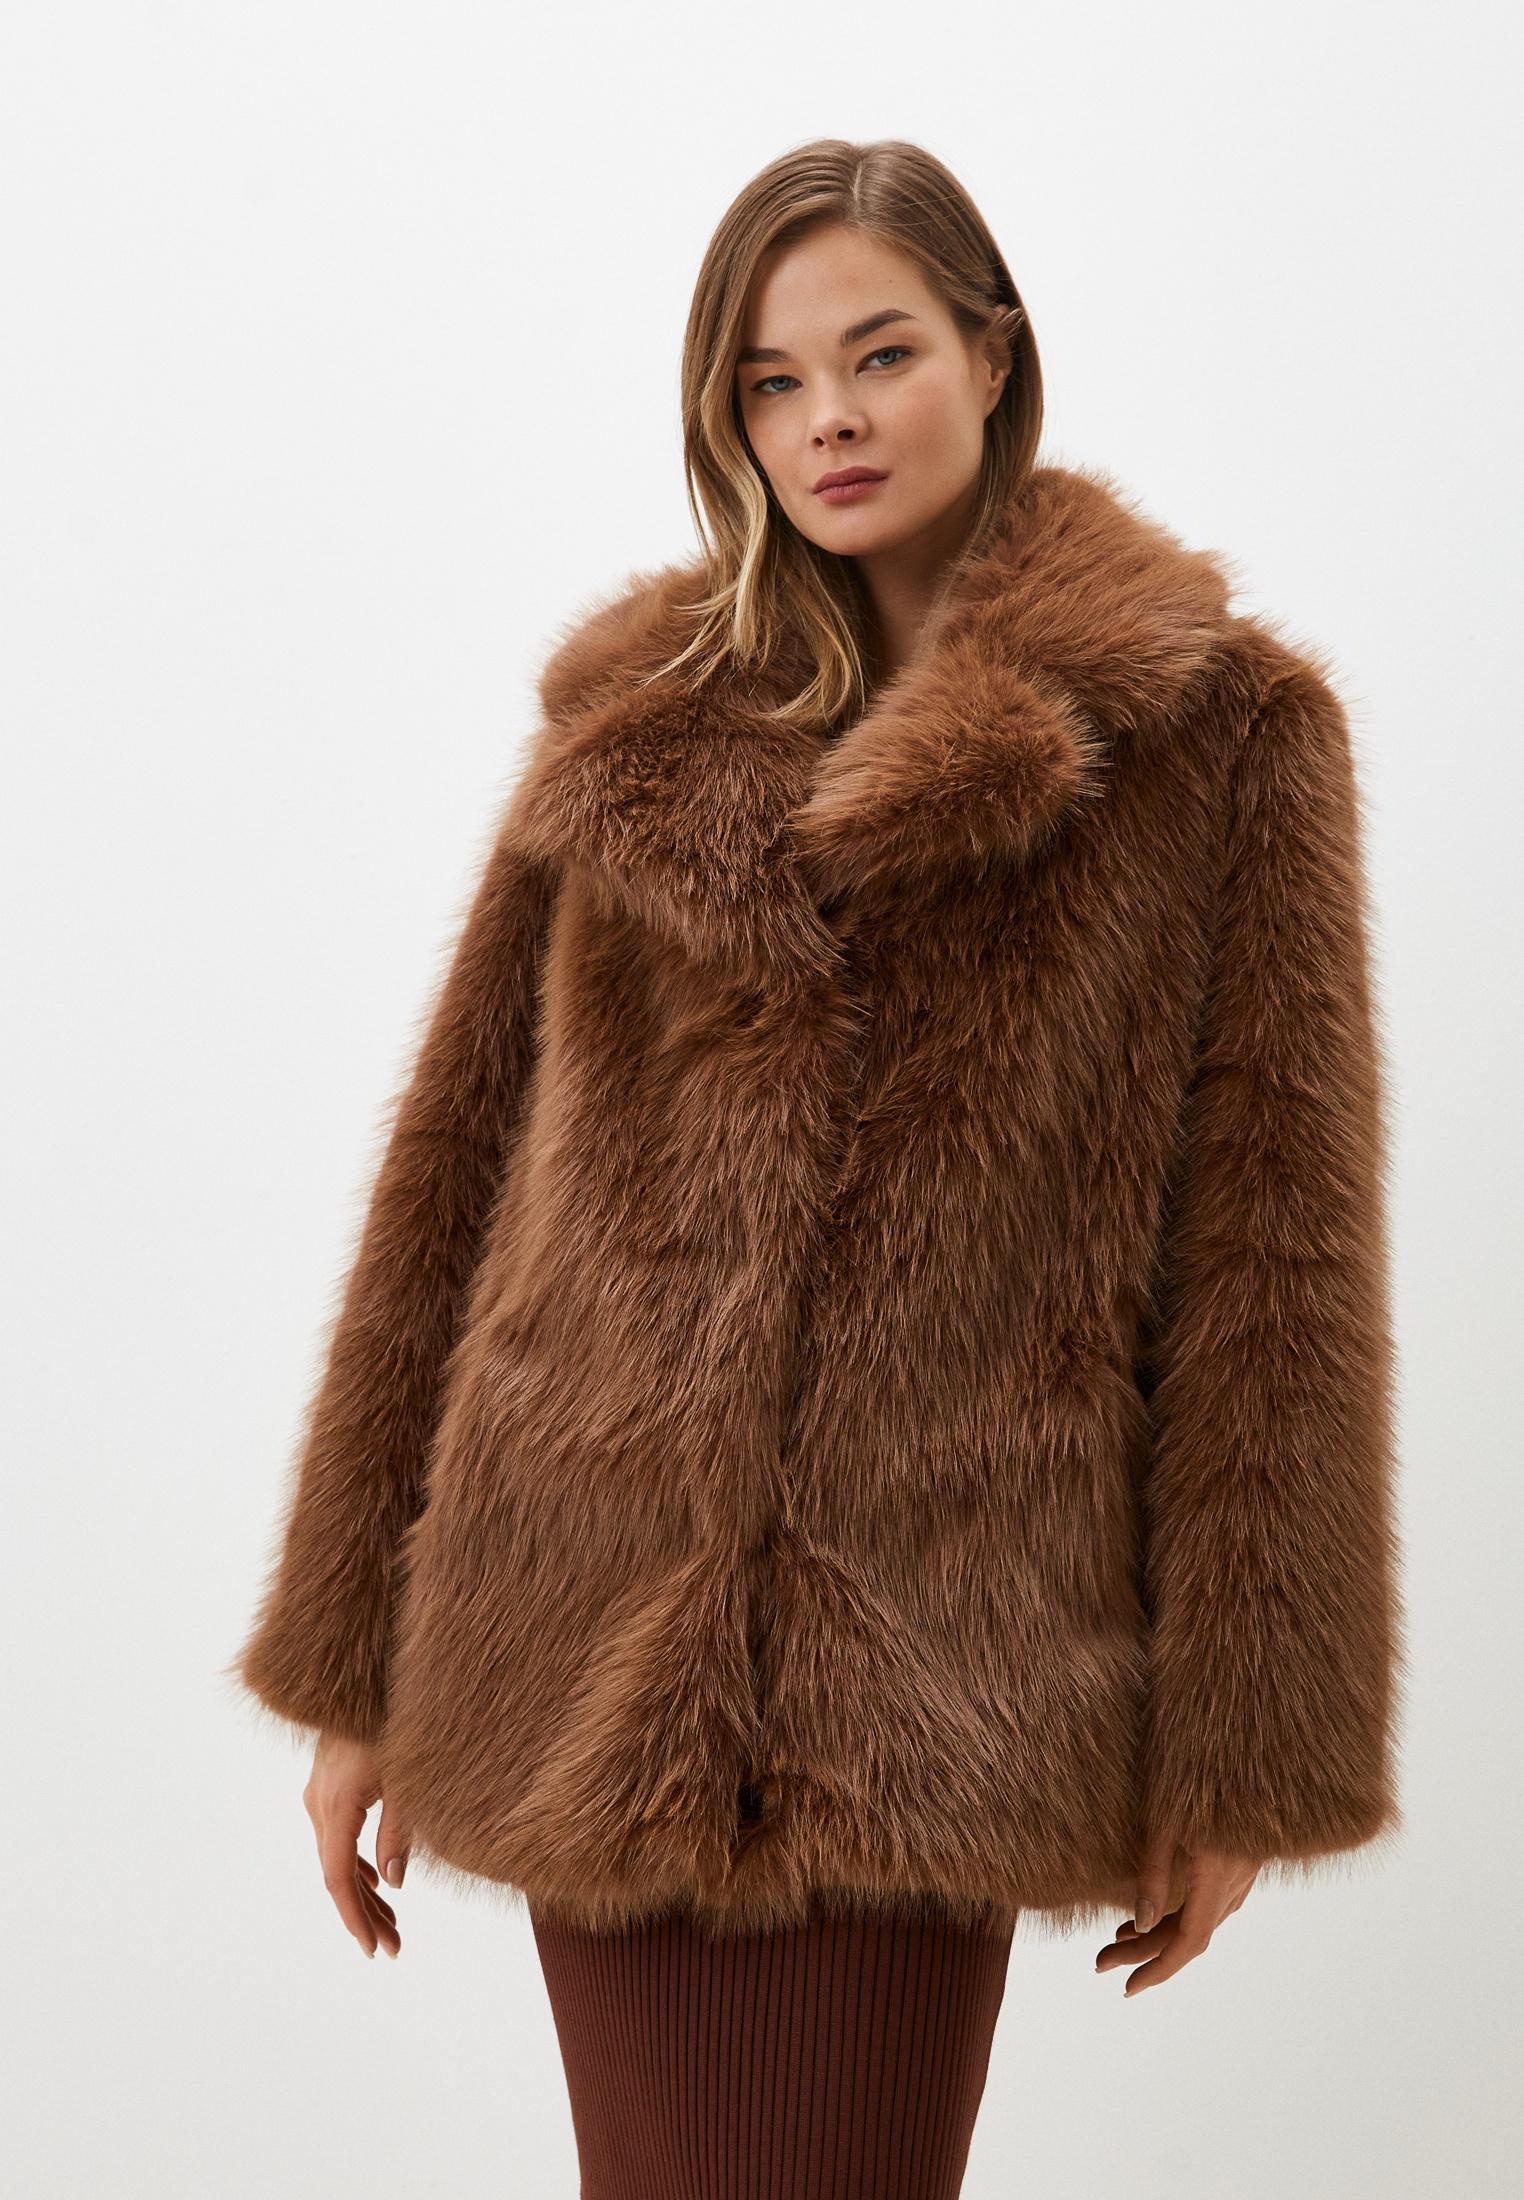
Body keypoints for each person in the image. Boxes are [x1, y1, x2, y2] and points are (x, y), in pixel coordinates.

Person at [227, 137, 1404, 2198]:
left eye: (880, 354)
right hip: (578, 1627)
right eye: (772, 381)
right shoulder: (633, 725)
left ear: (992, 355)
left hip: (932, 1669)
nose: (829, 420)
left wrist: (1246, 1742)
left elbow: (1275, 1274)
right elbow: (454, 1187)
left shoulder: (1219, 738)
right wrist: (352, 1665)